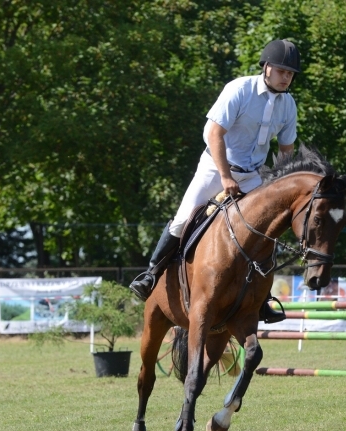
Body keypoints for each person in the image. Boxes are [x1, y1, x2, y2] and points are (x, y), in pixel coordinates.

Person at [129, 39, 302, 323]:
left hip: (253, 176)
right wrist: (224, 176)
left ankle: (261, 299)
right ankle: (150, 274)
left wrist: (278, 188)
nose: (287, 77)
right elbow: (214, 134)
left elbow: (286, 152)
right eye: (283, 71)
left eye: (291, 74)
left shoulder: (288, 105)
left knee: (266, 232)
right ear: (267, 67)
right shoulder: (239, 89)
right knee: (183, 219)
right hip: (214, 167)